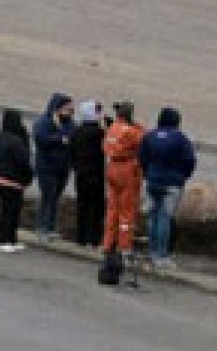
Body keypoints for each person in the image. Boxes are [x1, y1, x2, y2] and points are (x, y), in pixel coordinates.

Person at [139, 107, 196, 269]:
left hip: (153, 180)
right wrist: (183, 176)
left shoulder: (149, 136)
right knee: (165, 218)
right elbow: (189, 160)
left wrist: (148, 173)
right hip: (172, 183)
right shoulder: (181, 139)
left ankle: (151, 251)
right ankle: (161, 255)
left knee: (153, 217)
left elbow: (142, 157)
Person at [101, 102, 145, 264]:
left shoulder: (112, 128)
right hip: (127, 170)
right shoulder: (132, 131)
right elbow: (143, 137)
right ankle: (124, 246)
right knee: (126, 212)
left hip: (112, 167)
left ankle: (107, 244)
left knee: (112, 209)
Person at [32, 93, 75, 242]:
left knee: (55, 198)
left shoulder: (69, 123)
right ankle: (42, 227)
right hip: (47, 168)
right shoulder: (44, 122)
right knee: (47, 197)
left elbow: (71, 138)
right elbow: (42, 139)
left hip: (63, 168)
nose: (69, 111)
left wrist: (61, 136)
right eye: (66, 108)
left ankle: (50, 227)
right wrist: (60, 137)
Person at [0, 109, 33, 252]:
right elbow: (23, 161)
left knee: (6, 210)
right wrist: (28, 177)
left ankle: (6, 239)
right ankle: (5, 240)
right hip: (11, 181)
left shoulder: (1, 136)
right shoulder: (15, 140)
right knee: (10, 212)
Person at [70, 100, 107, 248]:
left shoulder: (77, 131)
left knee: (82, 205)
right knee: (95, 207)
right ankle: (93, 238)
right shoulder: (98, 133)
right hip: (95, 174)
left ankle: (81, 237)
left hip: (80, 174)